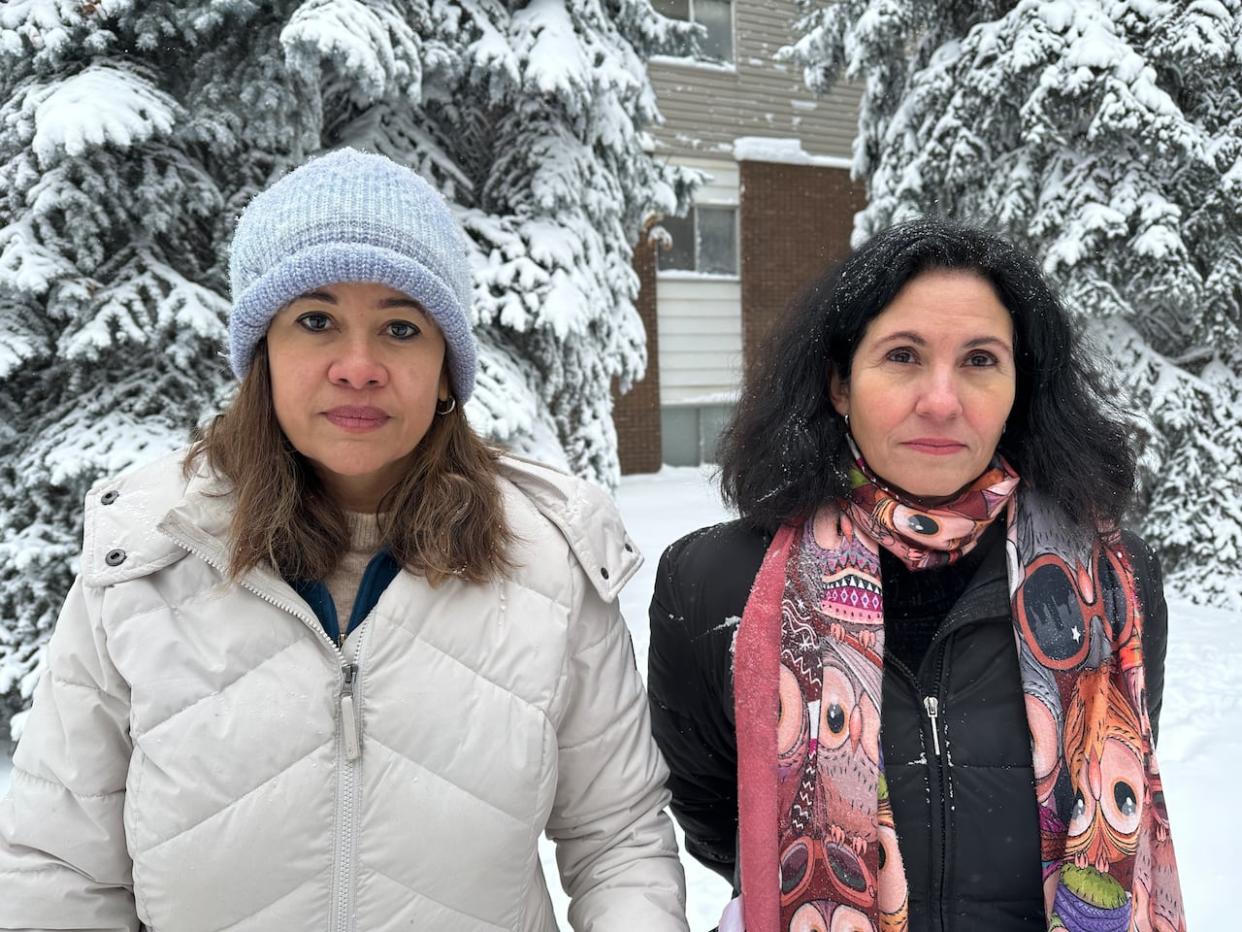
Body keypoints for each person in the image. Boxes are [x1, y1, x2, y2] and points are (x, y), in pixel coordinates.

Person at [0, 148, 688, 931]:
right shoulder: (144, 560)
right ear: (262, 352)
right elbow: (59, 870)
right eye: (316, 321)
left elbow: (618, 845)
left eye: (400, 327)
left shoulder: (548, 565)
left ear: (444, 371)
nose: (358, 367)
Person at [647, 220, 1186, 932]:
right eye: (903, 356)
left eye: (980, 360)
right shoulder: (719, 582)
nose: (940, 400)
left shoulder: (1115, 585)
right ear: (840, 383)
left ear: (1020, 384)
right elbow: (721, 812)